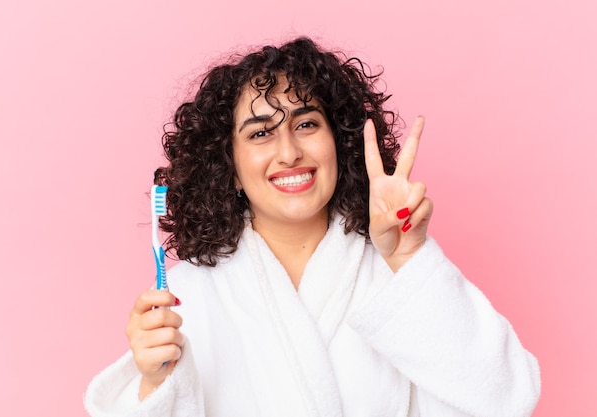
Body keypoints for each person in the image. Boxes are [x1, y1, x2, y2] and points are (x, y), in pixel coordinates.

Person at [85, 37, 540, 416]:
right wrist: (154, 385)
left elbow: (505, 398)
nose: (289, 153)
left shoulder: (398, 278)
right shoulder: (187, 297)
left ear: (339, 142)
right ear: (228, 163)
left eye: (306, 123)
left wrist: (409, 260)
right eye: (261, 132)